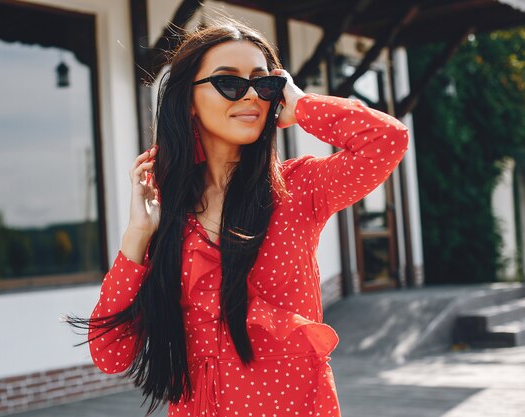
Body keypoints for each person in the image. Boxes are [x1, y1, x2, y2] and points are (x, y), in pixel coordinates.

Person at [64, 17, 409, 417]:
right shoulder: (168, 214)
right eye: (229, 82)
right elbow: (110, 355)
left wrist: (299, 103)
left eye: (263, 84)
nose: (251, 96)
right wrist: (138, 234)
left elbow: (387, 140)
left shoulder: (299, 188)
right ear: (189, 101)